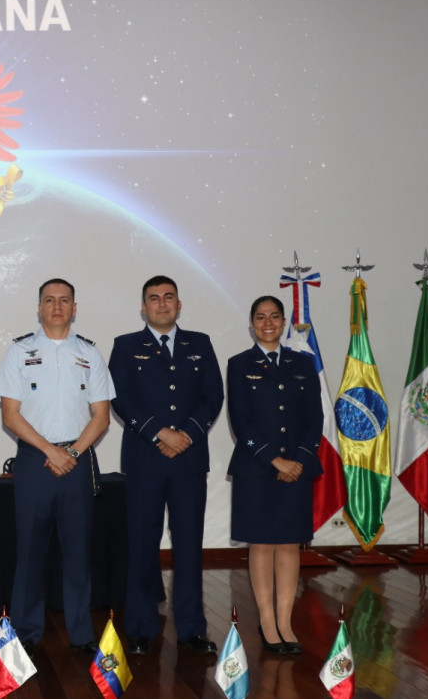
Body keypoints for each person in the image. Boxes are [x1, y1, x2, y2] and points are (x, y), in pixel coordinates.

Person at [0, 279, 113, 656]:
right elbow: (10, 416)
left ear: (74, 308)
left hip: (76, 460)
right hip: (34, 459)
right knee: (30, 551)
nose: (57, 307)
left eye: (64, 301)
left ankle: (80, 633)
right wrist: (50, 450)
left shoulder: (90, 354)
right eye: (49, 300)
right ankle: (27, 631)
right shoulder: (19, 351)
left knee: (77, 551)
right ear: (39, 308)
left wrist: (73, 453)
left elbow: (102, 416)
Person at [109, 274, 223, 656]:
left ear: (179, 304)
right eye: (153, 298)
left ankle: (192, 628)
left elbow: (213, 396)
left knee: (189, 547)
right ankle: (141, 628)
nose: (161, 304)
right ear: (143, 307)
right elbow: (120, 399)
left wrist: (186, 434)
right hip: (145, 460)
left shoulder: (199, 344)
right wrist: (159, 433)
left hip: (189, 461)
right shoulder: (126, 346)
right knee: (142, 545)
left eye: (168, 297)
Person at [226, 295, 322, 655]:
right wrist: (274, 461)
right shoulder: (239, 364)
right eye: (260, 317)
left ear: (283, 323)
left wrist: (297, 459)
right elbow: (241, 420)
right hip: (256, 468)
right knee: (262, 544)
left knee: (290, 544)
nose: (268, 323)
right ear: (251, 324)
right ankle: (267, 621)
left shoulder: (303, 363)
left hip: (297, 468)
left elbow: (315, 419)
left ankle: (285, 621)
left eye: (275, 317)